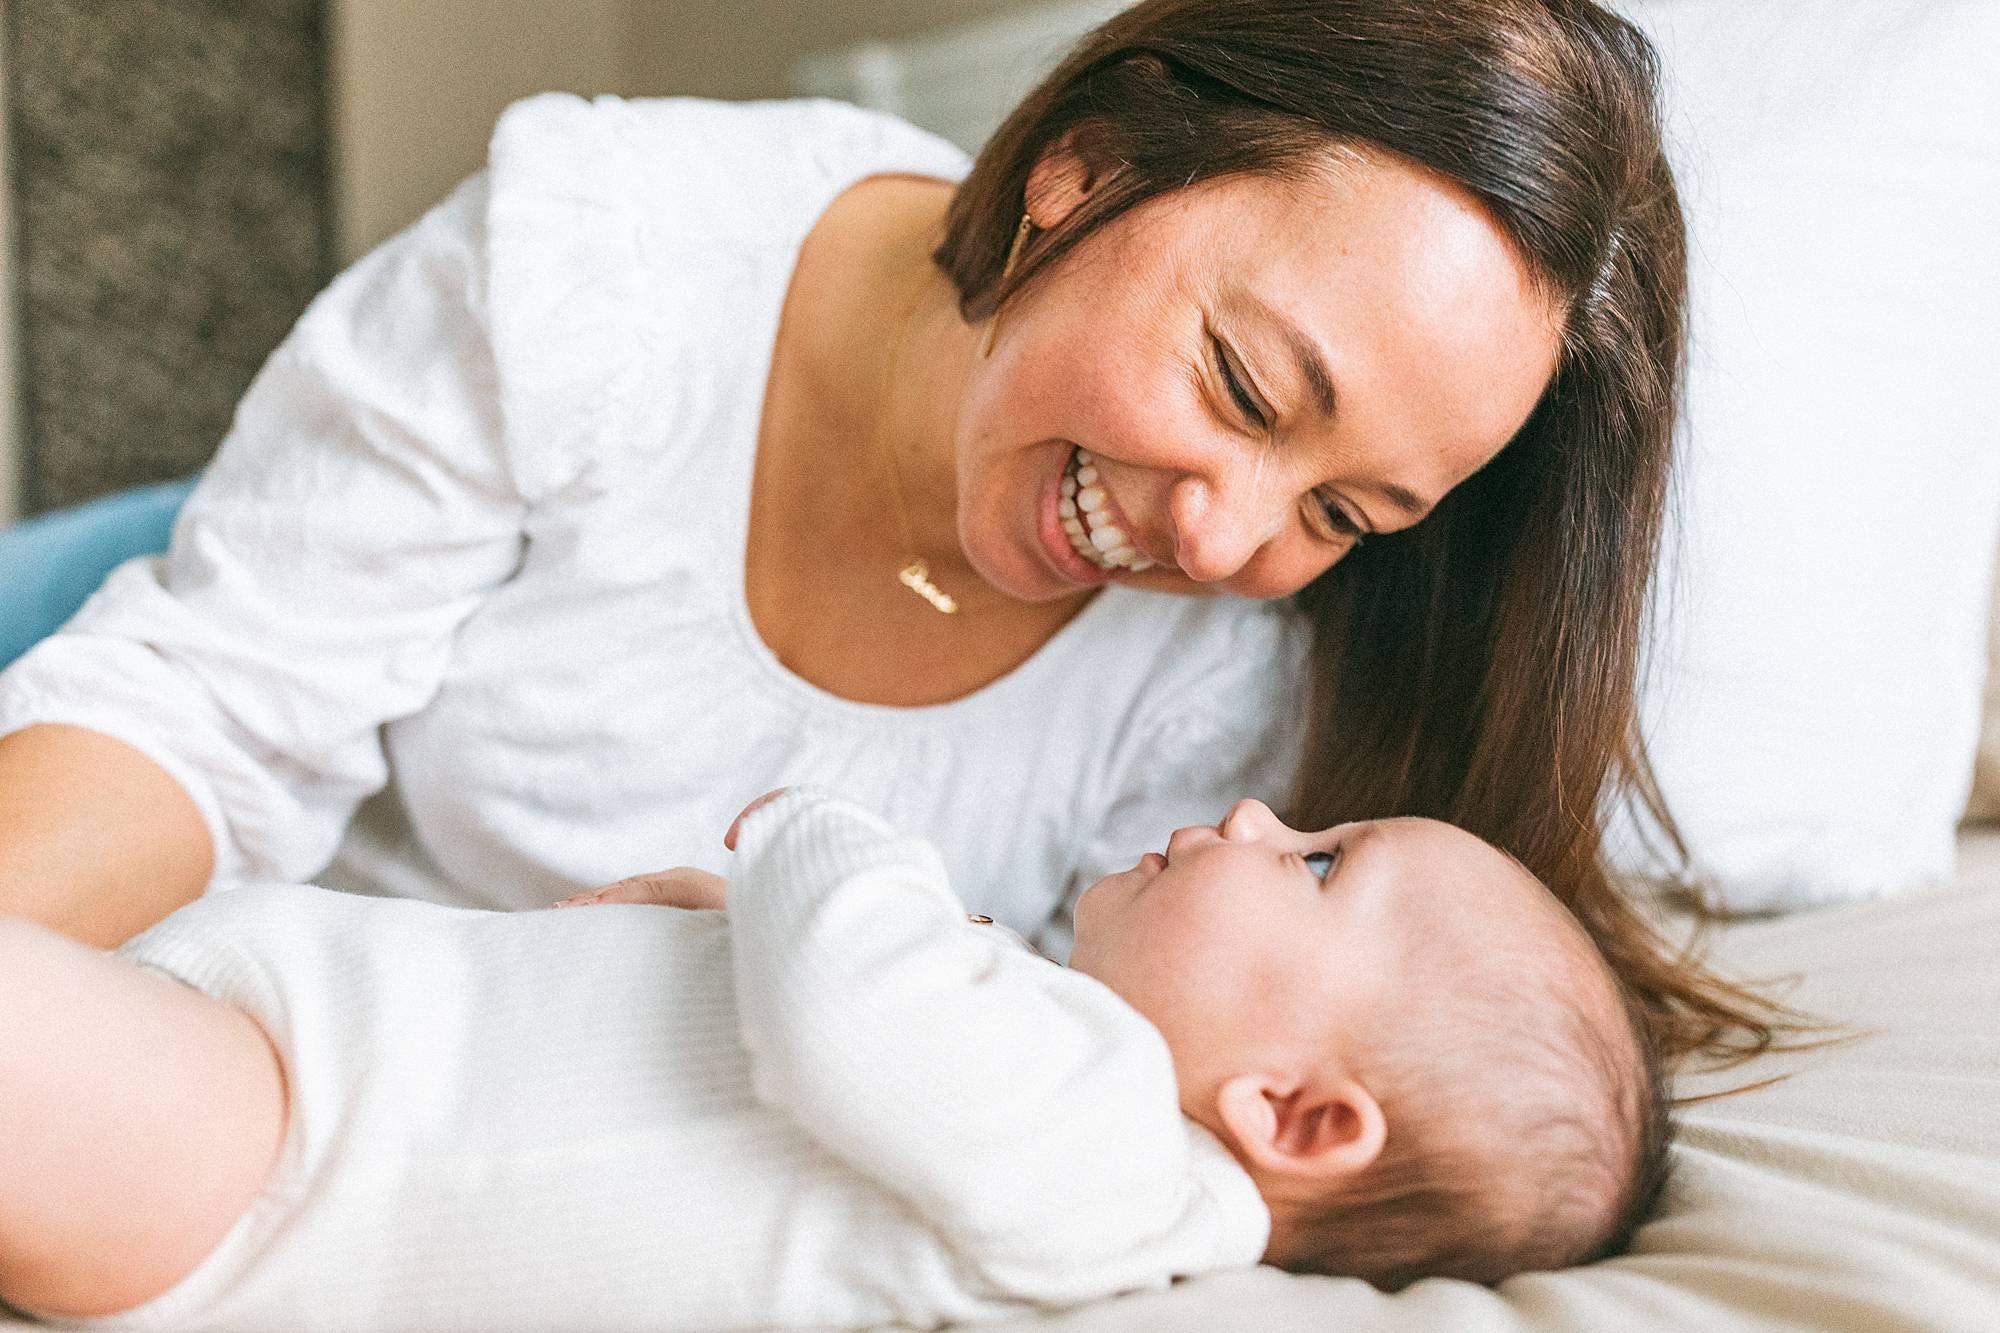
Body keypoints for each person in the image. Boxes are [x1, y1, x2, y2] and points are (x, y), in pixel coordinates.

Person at [0, 0, 1785, 1068]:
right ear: (1089, 168)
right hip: (202, 657)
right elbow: (210, 716)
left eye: (1344, 509)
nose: (1221, 534)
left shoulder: (1235, 687)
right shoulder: (604, 268)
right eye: (1245, 387)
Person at [0, 789, 1666, 1328]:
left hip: (278, 1147)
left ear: (1294, 1115)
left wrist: (819, 825)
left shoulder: (1115, 1150)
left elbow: (853, 1014)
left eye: (1316, 862)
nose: (1250, 812)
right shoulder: (1047, 1104)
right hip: (281, 1089)